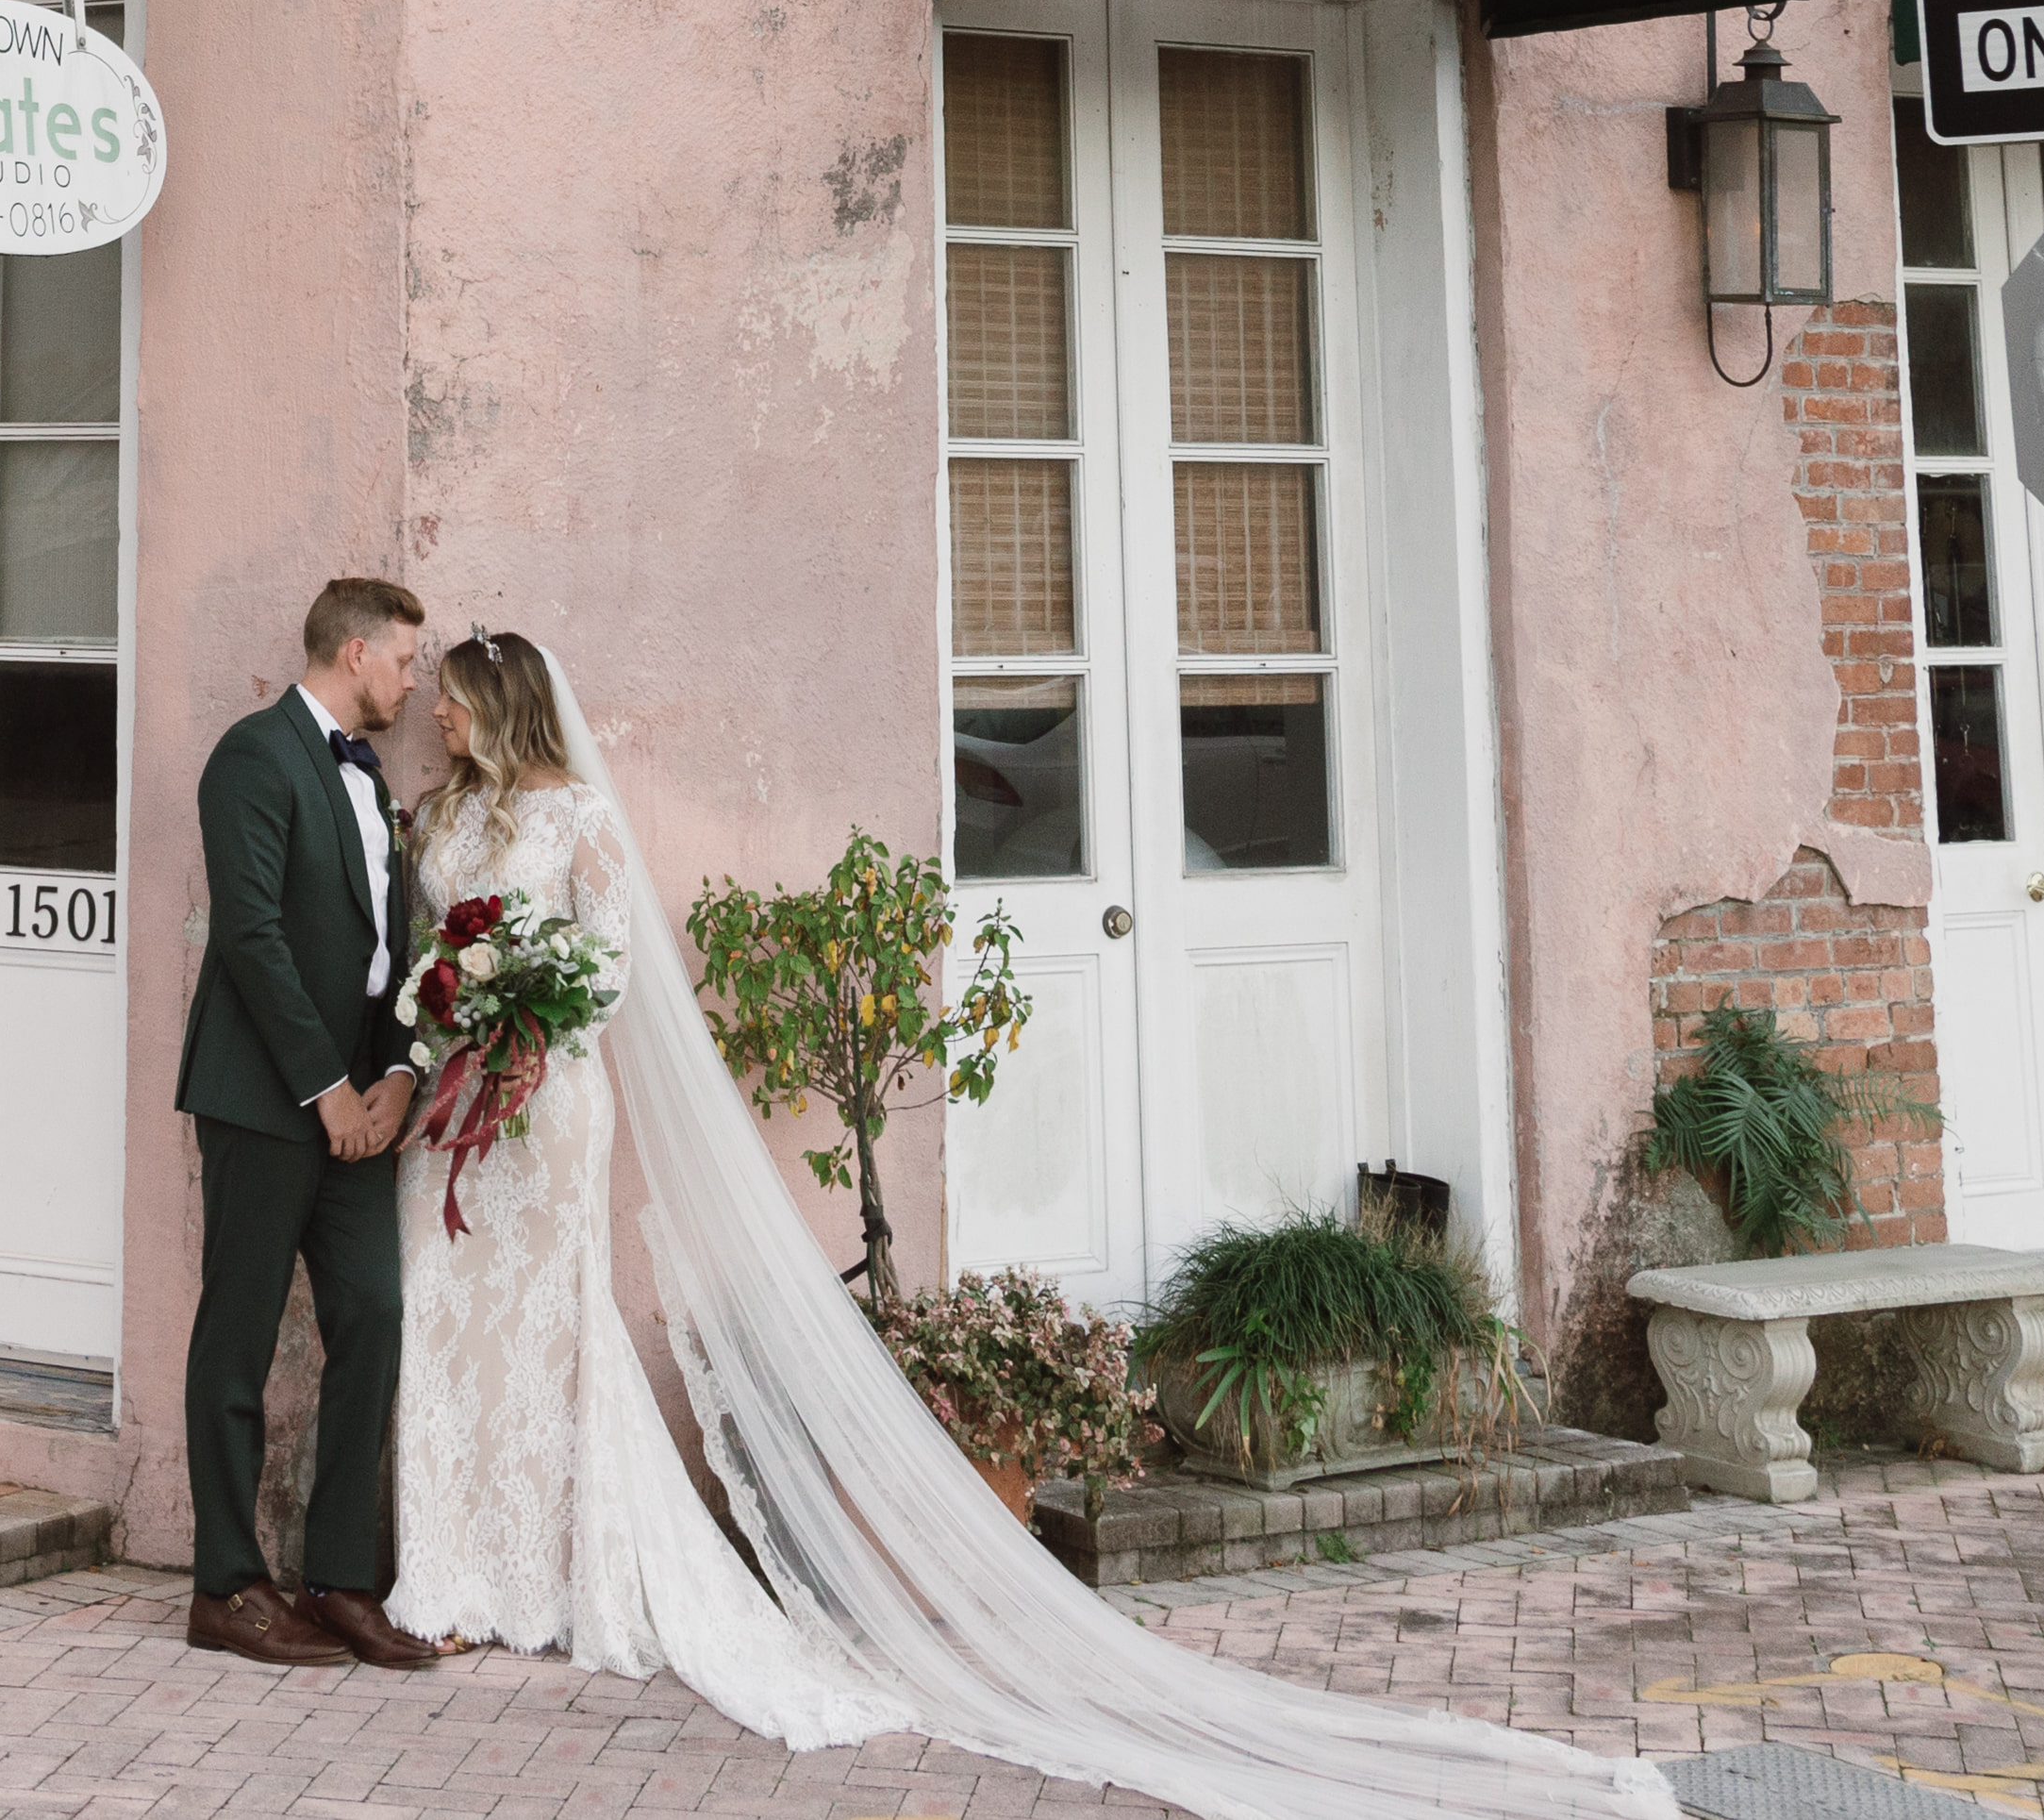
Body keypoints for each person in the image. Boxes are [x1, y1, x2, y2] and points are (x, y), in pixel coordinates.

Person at [374, 626, 1672, 1820]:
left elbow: (610, 969)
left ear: (505, 704)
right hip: (456, 1111)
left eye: (456, 692)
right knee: (447, 1321)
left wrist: (531, 1029)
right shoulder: (437, 817)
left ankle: (548, 1574)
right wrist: (452, 1022)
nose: (436, 705)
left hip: (546, 1109)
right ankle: (454, 1575)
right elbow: (429, 951)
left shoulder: (581, 819)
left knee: (548, 1327)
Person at [170, 575, 446, 1670]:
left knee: (372, 1316)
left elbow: (386, 955)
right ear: (357, 653)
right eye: (406, 659)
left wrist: (390, 1076)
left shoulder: (371, 778)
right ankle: (226, 1585)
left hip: (357, 1111)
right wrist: (323, 1088)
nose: (415, 681)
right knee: (235, 1338)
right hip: (263, 1100)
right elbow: (251, 936)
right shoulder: (253, 755)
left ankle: (338, 1578)